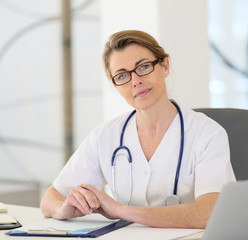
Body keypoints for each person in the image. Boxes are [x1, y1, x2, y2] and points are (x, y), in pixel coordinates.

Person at [40, 30, 235, 229]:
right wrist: (63, 209)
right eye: (122, 75)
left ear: (165, 66)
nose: (135, 81)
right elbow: (50, 199)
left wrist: (121, 210)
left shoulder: (207, 134)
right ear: (116, 85)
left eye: (143, 67)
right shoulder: (105, 136)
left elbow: (211, 213)